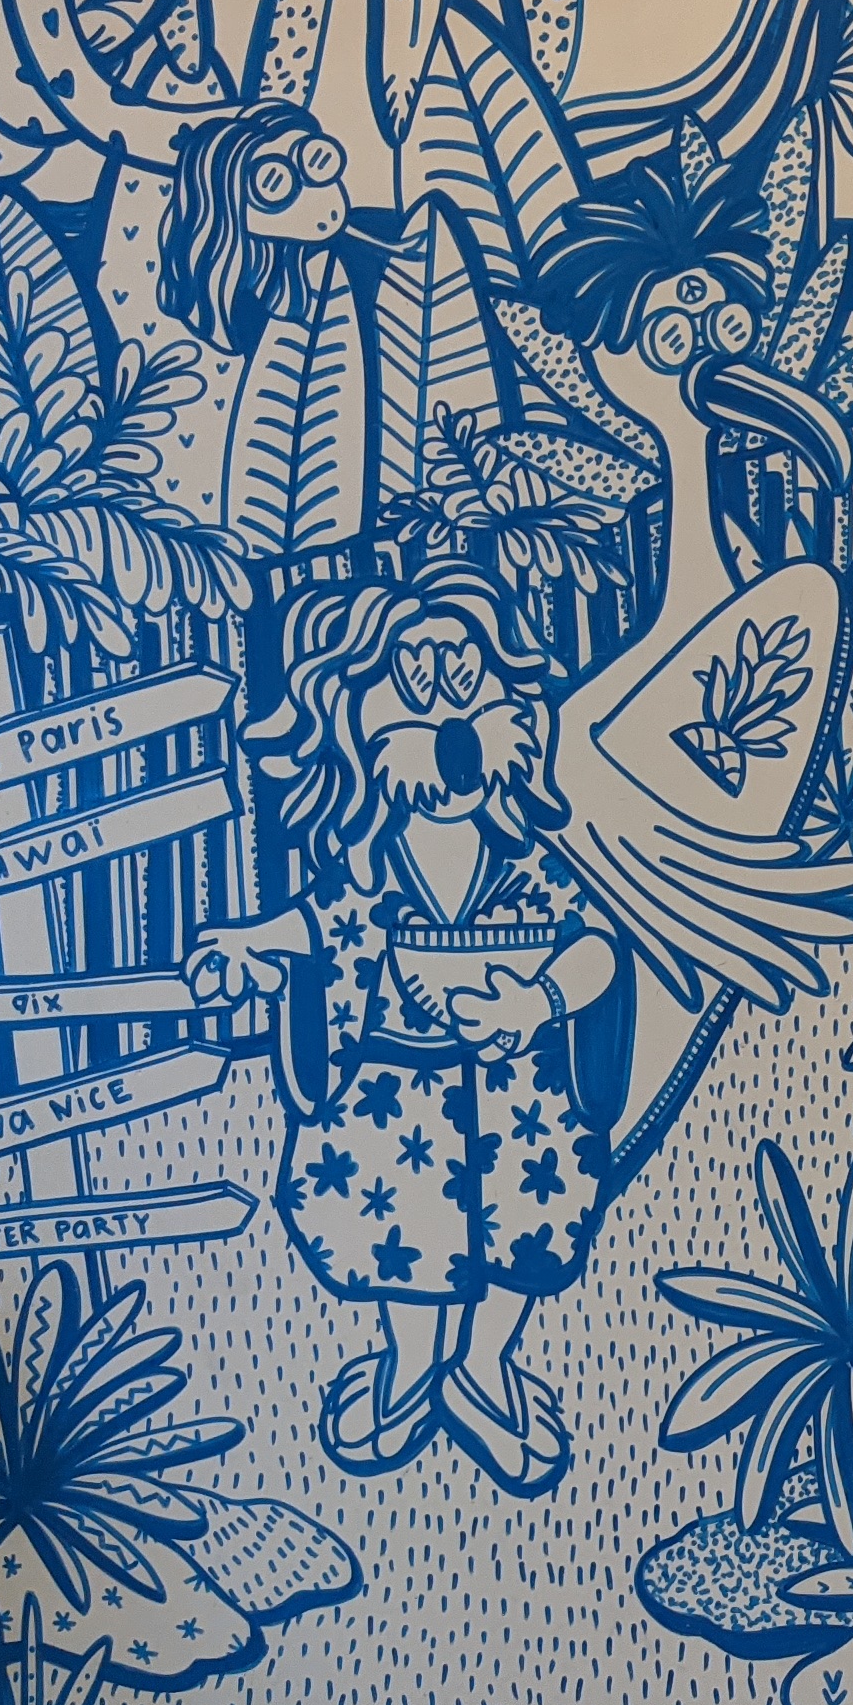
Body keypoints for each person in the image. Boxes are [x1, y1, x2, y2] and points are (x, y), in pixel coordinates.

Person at [185, 571, 624, 1497]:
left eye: (473, 696)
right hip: (396, 1101)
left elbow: (596, 950)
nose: (453, 738)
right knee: (405, 1249)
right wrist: (250, 946)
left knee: (523, 1244)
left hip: (519, 1103)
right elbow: (322, 928)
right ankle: (415, 1365)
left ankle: (484, 1368)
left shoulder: (528, 861)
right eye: (418, 707)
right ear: (356, 731)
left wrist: (537, 1002)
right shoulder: (372, 865)